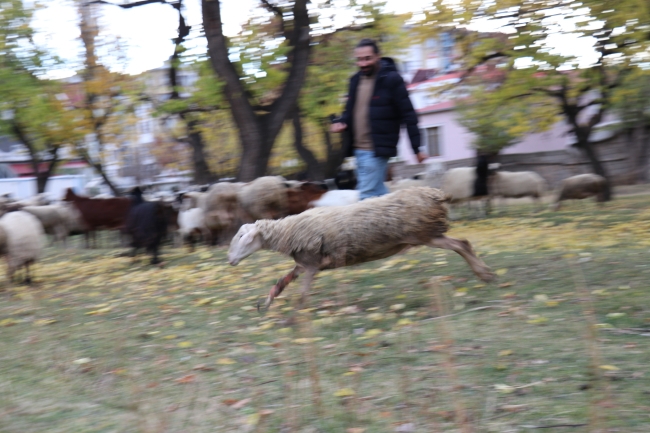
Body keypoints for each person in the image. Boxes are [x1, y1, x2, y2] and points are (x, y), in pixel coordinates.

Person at [331, 38, 426, 200]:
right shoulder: (354, 81)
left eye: (368, 58)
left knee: (365, 197)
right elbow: (350, 111)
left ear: (378, 56)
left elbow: (408, 115)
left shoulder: (392, 80)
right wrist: (341, 122)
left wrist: (416, 148)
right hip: (358, 150)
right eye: (359, 60)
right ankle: (405, 218)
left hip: (377, 149)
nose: (363, 64)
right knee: (377, 194)